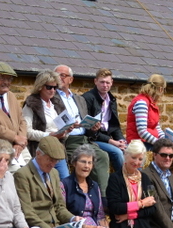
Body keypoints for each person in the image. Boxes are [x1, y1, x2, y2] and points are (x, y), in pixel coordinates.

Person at [52, 64, 111, 195]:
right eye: (56, 75)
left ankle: (102, 196)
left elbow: (87, 127)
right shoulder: (51, 97)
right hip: (68, 140)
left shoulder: (79, 99)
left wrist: (93, 127)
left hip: (85, 139)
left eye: (63, 75)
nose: (59, 78)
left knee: (103, 156)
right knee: (84, 159)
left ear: (71, 79)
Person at [22, 71, 72, 179]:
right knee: (43, 182)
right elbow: (27, 132)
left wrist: (67, 130)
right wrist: (49, 136)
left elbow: (65, 128)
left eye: (55, 87)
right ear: (40, 86)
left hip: (58, 149)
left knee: (65, 180)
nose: (53, 90)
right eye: (49, 87)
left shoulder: (57, 104)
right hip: (41, 151)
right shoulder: (31, 104)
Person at [83, 68, 126, 173]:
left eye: (107, 82)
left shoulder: (112, 99)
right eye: (102, 82)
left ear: (112, 83)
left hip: (108, 138)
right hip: (93, 139)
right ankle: (123, 179)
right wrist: (113, 142)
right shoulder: (88, 98)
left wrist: (121, 140)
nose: (105, 85)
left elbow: (114, 125)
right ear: (95, 81)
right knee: (117, 152)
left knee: (134, 150)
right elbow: (88, 129)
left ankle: (137, 180)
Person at [126, 74, 167, 147]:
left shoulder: (152, 103)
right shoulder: (142, 103)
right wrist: (160, 144)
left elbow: (157, 127)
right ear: (160, 89)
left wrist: (164, 139)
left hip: (149, 142)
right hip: (139, 144)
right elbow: (142, 132)